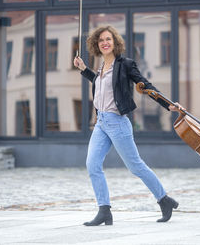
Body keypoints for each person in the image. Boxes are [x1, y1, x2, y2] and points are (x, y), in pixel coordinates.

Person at [74, 25, 182, 226]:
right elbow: (100, 84)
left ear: (115, 42)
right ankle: (104, 210)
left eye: (108, 39)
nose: (105, 43)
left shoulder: (125, 64)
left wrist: (168, 105)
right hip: (101, 124)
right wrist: (84, 69)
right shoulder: (101, 67)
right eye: (101, 40)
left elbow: (145, 85)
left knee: (135, 166)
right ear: (97, 45)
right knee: (92, 164)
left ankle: (164, 200)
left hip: (117, 123)